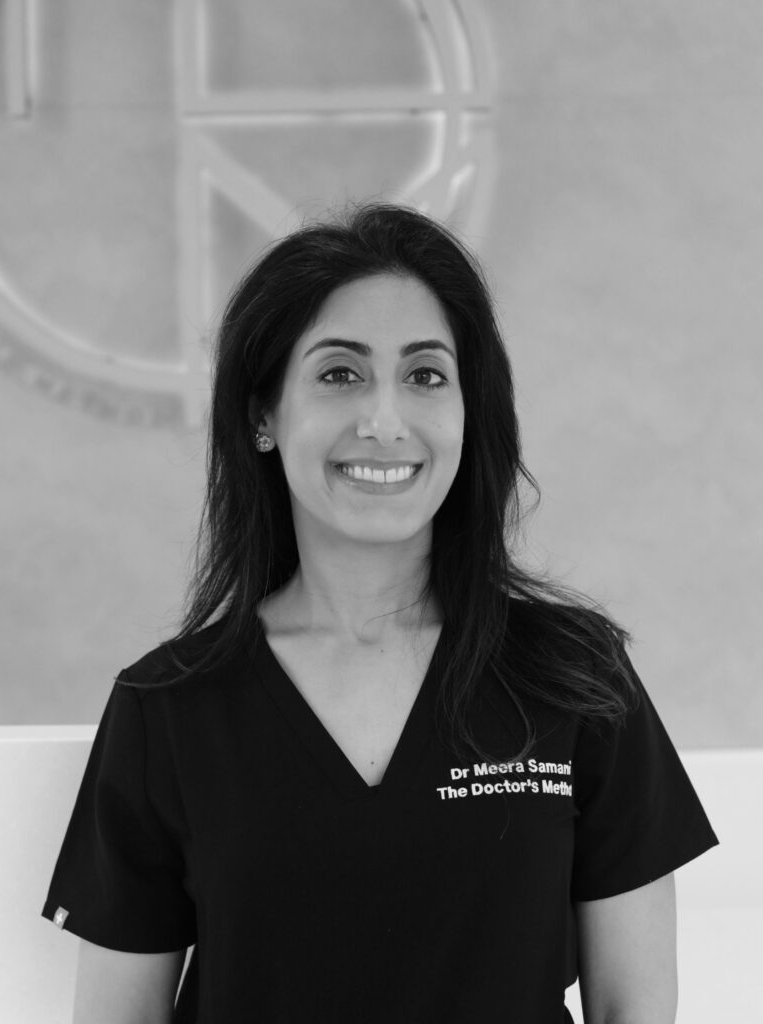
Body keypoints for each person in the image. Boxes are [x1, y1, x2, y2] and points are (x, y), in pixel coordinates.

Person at [42, 204, 717, 1024]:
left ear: (469, 411)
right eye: (339, 374)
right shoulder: (169, 709)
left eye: (426, 375)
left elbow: (633, 1008)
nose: (385, 422)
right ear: (262, 415)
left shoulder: (575, 679)